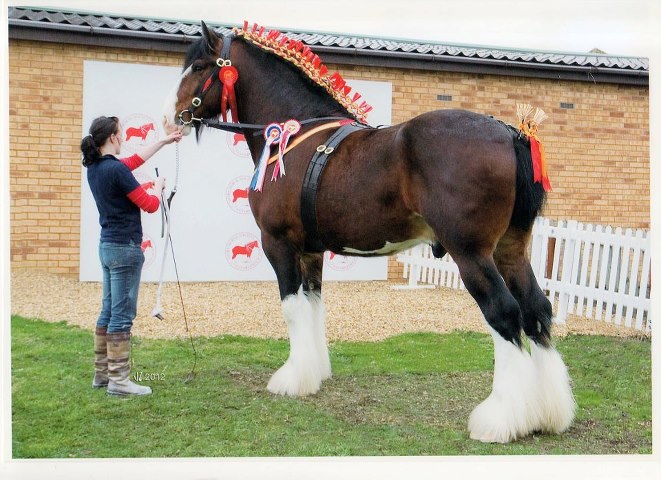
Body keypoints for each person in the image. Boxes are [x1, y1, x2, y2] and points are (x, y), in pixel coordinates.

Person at [81, 115, 182, 396]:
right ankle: (119, 381)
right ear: (113, 137)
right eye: (121, 133)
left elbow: (134, 161)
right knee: (122, 317)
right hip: (125, 249)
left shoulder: (97, 167)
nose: (124, 137)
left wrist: (162, 141)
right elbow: (149, 205)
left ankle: (103, 375)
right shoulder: (115, 170)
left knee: (108, 311)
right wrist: (158, 188)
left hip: (108, 247)